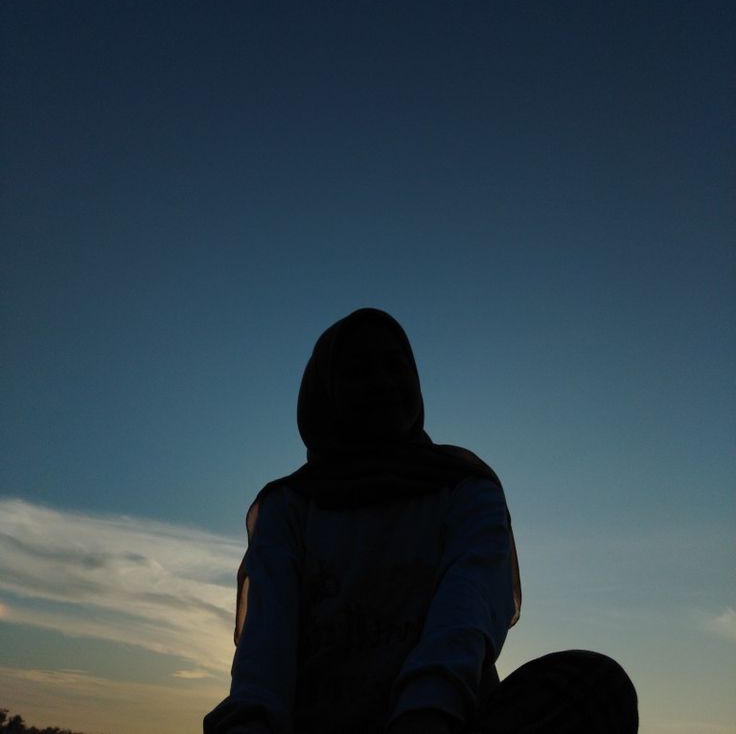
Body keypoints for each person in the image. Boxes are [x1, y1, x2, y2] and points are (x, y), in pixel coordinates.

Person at [204, 308, 637, 734]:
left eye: (396, 365)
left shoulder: (464, 487)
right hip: (314, 721)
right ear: (326, 393)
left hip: (447, 719)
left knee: (595, 683)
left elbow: (467, 608)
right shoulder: (290, 505)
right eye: (358, 370)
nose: (383, 383)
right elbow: (267, 645)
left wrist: (426, 713)